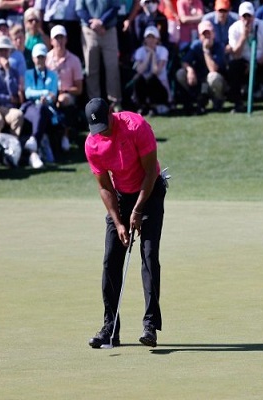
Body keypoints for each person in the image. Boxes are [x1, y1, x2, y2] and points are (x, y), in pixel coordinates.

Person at [84, 97, 167, 349]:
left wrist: (138, 210)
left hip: (149, 191)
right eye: (97, 130)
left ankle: (150, 326)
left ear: (111, 113)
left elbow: (151, 171)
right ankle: (110, 328)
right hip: (120, 197)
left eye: (105, 126)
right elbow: (104, 187)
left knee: (149, 255)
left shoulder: (135, 126)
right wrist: (120, 223)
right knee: (111, 259)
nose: (103, 133)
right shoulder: (92, 144)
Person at [228, 1, 263, 112]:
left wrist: (257, 63)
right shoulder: (234, 29)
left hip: (261, 61)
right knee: (233, 66)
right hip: (244, 63)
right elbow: (235, 53)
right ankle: (238, 103)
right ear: (239, 17)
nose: (247, 20)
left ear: (253, 16)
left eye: (249, 16)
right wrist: (243, 36)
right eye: (244, 16)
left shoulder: (262, 26)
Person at [76, 0, 123, 110]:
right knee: (91, 69)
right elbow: (80, 9)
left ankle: (115, 102)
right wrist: (93, 23)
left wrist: (101, 21)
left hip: (108, 29)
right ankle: (94, 104)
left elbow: (115, 7)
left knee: (112, 68)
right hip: (89, 30)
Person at [45, 25, 84, 152]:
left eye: (62, 37)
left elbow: (79, 89)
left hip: (67, 94)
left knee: (63, 100)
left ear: (66, 40)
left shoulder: (74, 60)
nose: (59, 41)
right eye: (56, 38)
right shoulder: (46, 59)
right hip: (49, 93)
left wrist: (65, 90)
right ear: (51, 41)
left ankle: (65, 136)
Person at [175, 20, 227, 114]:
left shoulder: (219, 46)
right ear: (200, 36)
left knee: (213, 76)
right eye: (204, 34)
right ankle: (189, 102)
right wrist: (190, 70)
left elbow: (213, 69)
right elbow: (184, 61)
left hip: (216, 82)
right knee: (181, 73)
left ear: (213, 34)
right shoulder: (195, 45)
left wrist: (206, 50)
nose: (207, 37)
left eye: (209, 33)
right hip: (199, 79)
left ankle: (217, 101)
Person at [23, 43, 59, 168]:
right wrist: (43, 93)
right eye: (38, 57)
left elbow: (53, 94)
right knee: (39, 110)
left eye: (42, 57)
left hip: (47, 108)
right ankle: (37, 147)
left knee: (41, 110)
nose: (40, 60)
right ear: (33, 58)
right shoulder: (28, 74)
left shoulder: (53, 75)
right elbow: (28, 93)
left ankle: (34, 148)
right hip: (31, 107)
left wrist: (47, 98)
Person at [133, 25, 170, 115]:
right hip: (145, 85)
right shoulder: (140, 51)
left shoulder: (163, 50)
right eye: (148, 37)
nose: (150, 40)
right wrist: (148, 55)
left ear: (157, 39)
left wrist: (153, 55)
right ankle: (142, 105)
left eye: (153, 37)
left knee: (151, 78)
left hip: (160, 85)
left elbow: (156, 71)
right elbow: (139, 70)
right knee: (138, 78)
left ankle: (155, 105)